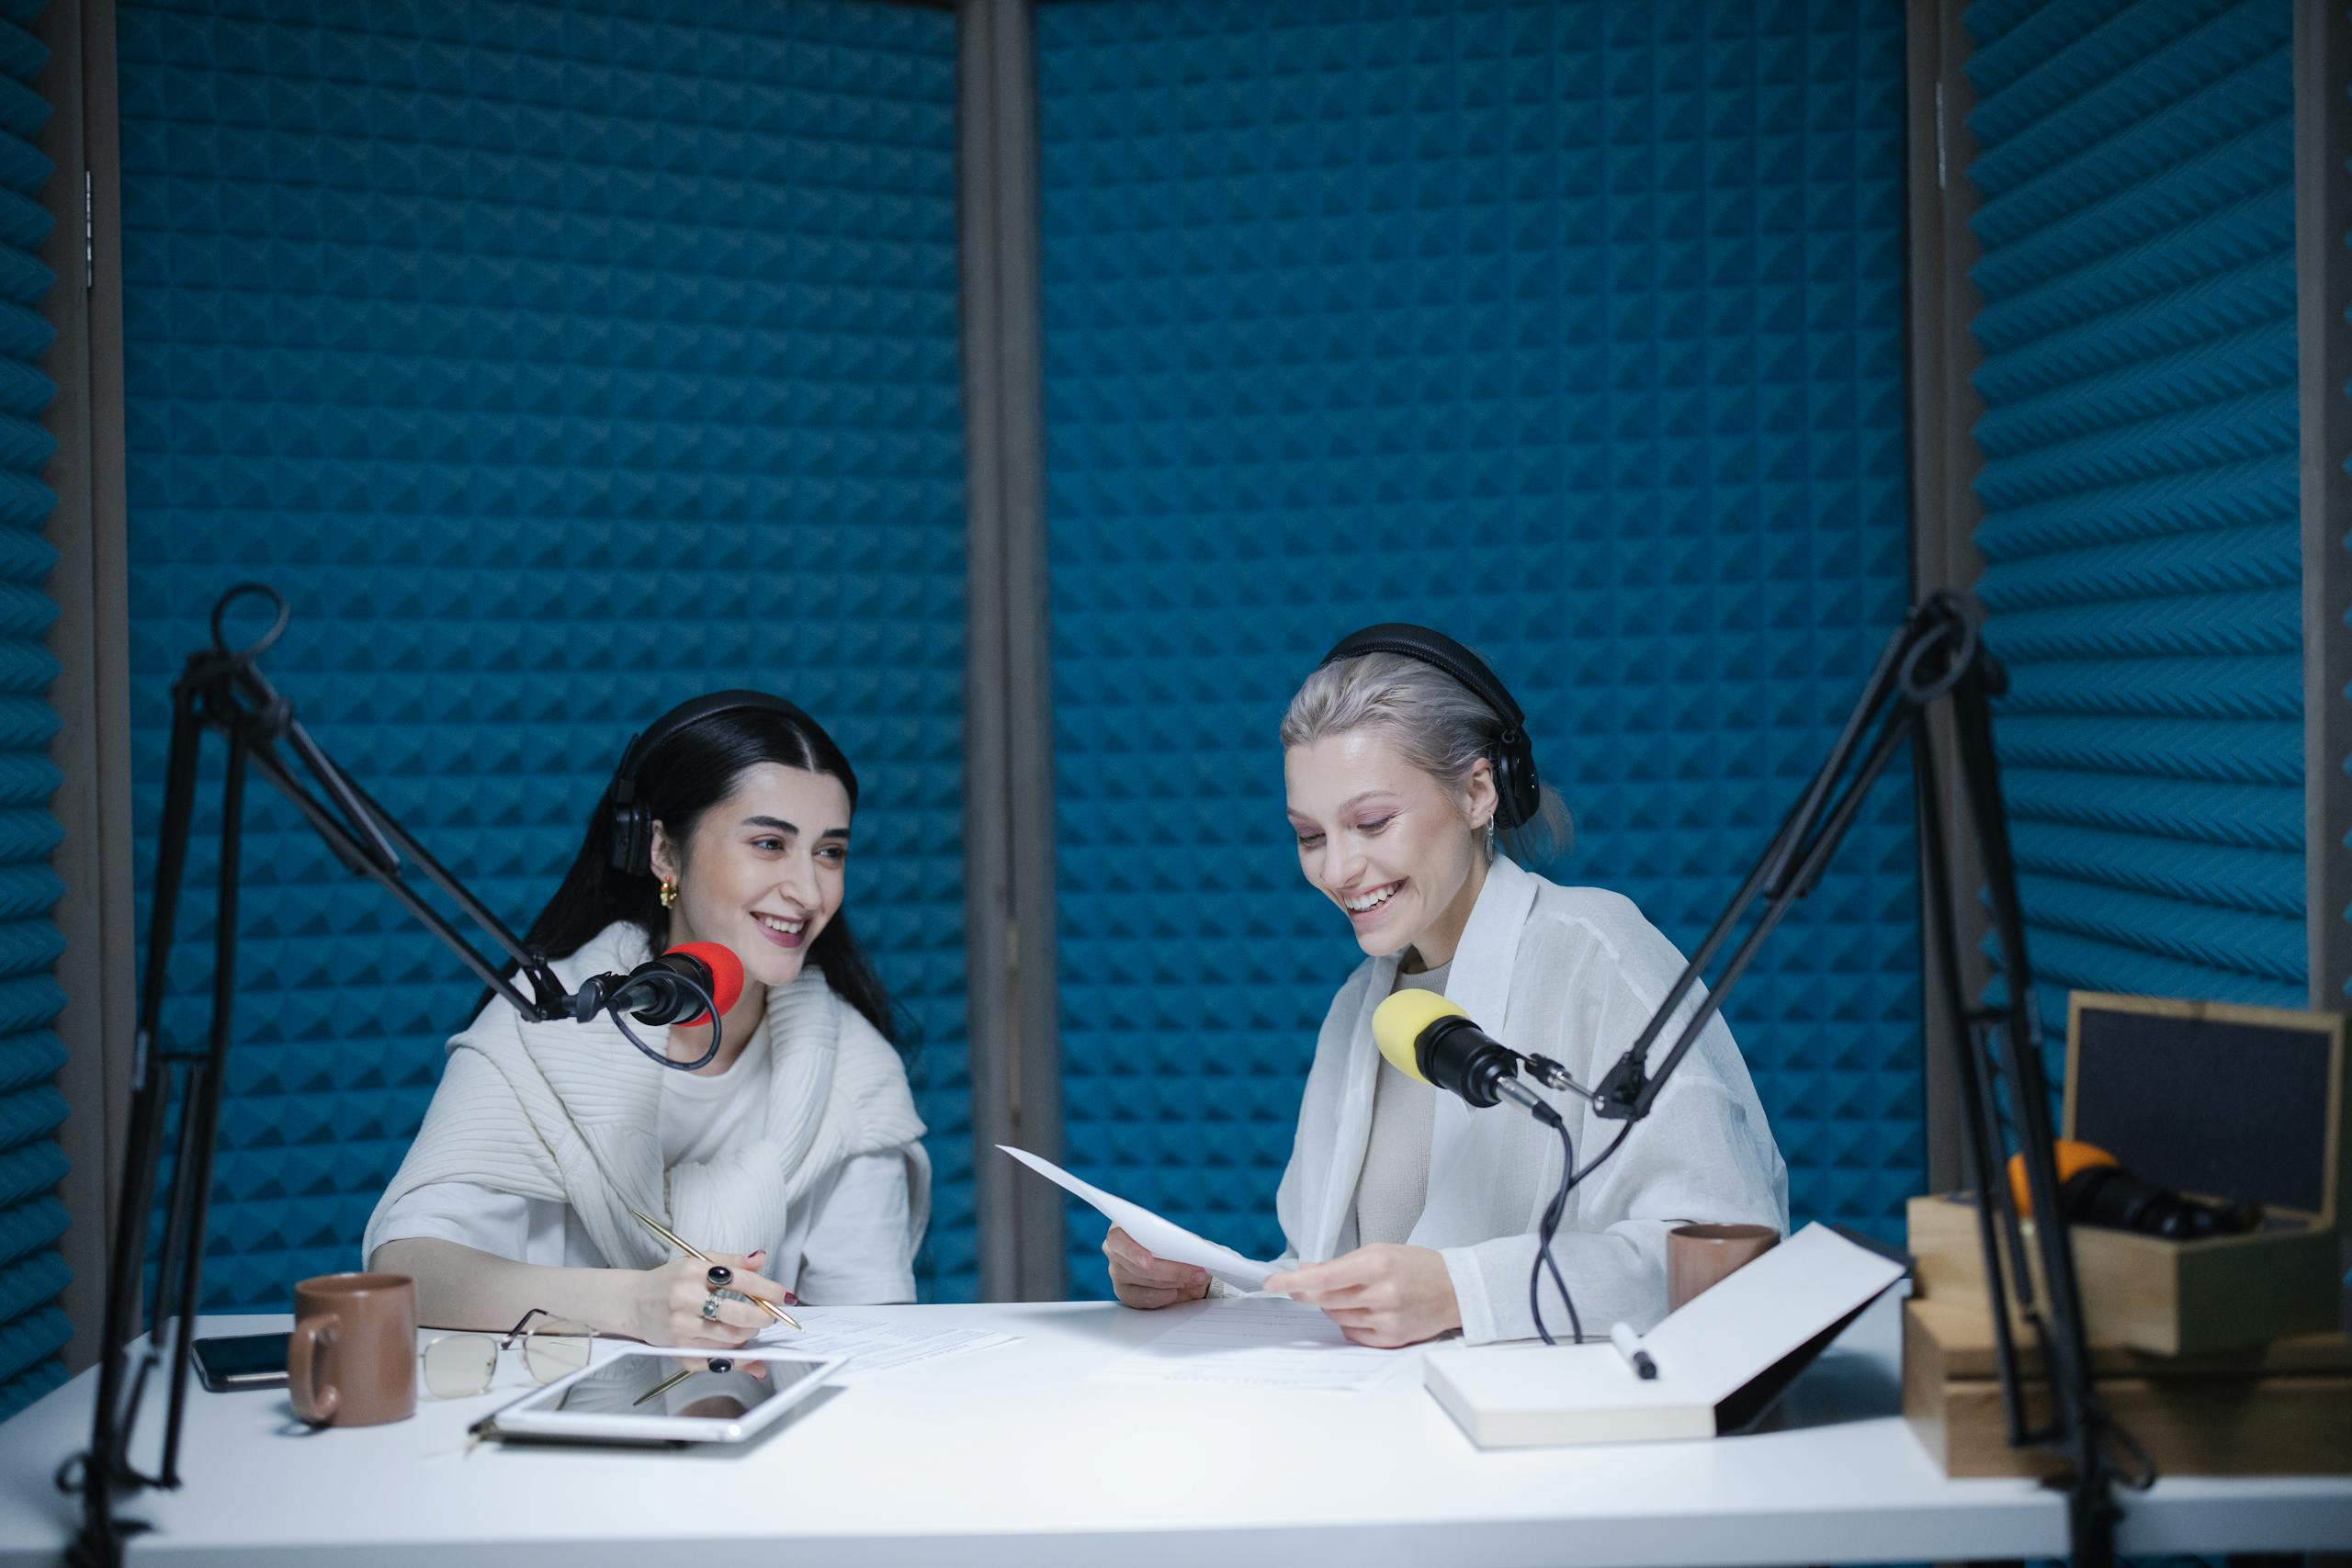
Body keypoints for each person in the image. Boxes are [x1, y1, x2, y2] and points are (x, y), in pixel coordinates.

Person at [1103, 626, 1787, 1347]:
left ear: (1477, 790)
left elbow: (1724, 1256)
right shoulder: (1358, 1012)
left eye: (1372, 822)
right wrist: (1204, 1287)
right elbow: (1343, 1280)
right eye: (1311, 836)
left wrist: (1465, 1291)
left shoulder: (1597, 954)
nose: (1338, 870)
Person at [367, 692, 928, 1348]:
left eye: (829, 852)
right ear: (663, 851)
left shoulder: (856, 1074)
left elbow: (875, 1337)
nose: (808, 891)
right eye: (770, 843)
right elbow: (407, 1271)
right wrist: (634, 1303)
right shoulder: (546, 1022)